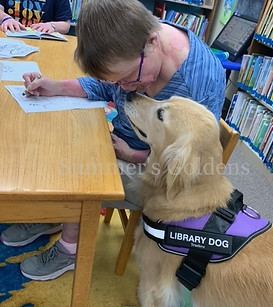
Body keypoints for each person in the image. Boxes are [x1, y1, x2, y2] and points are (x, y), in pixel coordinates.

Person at [0, 0, 226, 281]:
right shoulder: (136, 43)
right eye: (117, 82)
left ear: (152, 42)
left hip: (157, 175)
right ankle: (58, 213)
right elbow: (103, 84)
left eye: (129, 79)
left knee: (76, 170)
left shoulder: (197, 83)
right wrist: (55, 86)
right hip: (120, 140)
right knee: (58, 132)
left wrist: (132, 155)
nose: (125, 89)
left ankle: (70, 247)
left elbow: (188, 164)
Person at [0, 0, 72, 34]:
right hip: (9, 35)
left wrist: (52, 25)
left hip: (43, 42)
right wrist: (5, 18)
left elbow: (66, 25)